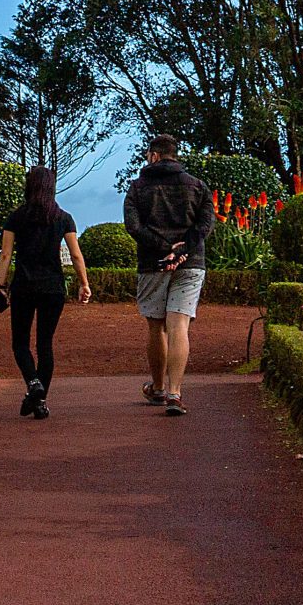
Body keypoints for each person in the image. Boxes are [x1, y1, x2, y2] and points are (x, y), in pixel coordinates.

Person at [122, 135, 214, 416]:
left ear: (154, 155)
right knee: (179, 326)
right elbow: (205, 224)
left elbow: (133, 226)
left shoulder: (137, 188)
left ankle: (159, 388)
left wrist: (164, 248)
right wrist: (183, 249)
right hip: (191, 263)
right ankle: (175, 393)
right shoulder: (197, 185)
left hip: (153, 263)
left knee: (156, 326)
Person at [0, 165, 90, 418]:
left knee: (20, 343)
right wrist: (84, 283)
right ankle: (40, 400)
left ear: (29, 186)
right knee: (45, 344)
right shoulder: (64, 218)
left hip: (24, 286)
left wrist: (0, 286)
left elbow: (5, 255)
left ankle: (33, 384)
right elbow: (76, 255)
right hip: (53, 288)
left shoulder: (17, 217)